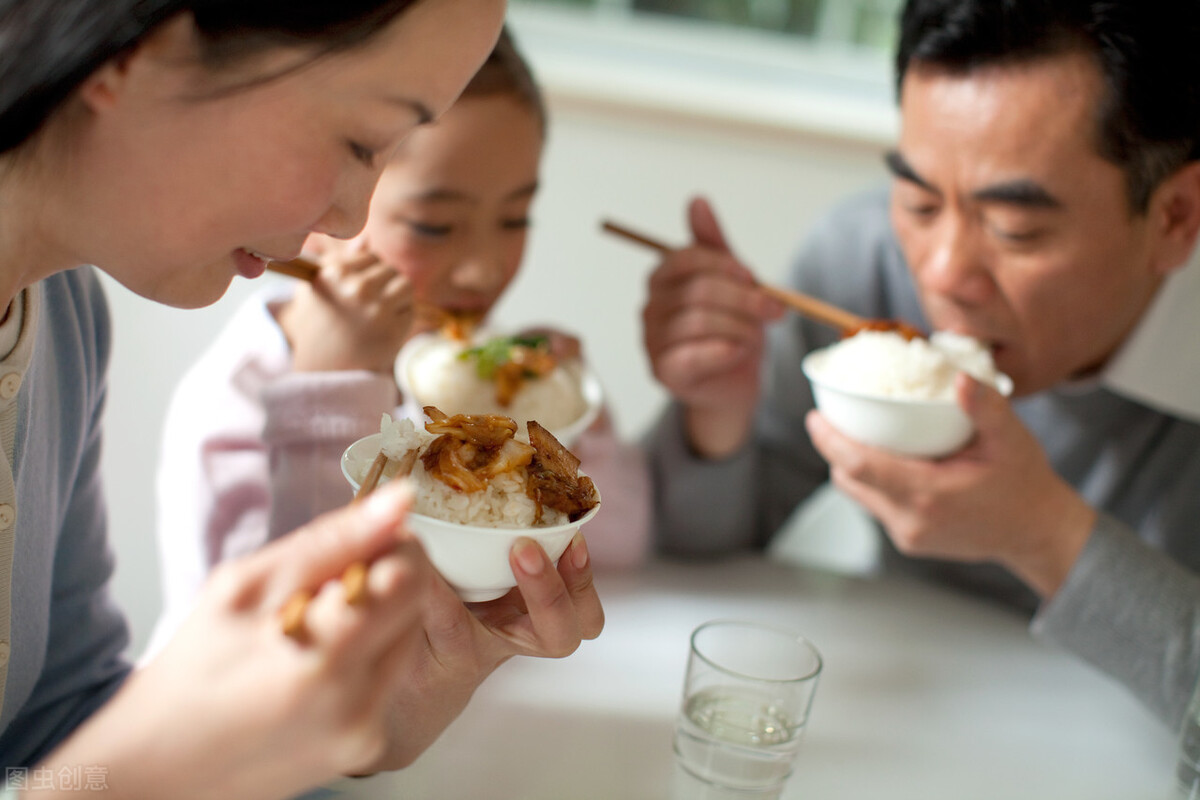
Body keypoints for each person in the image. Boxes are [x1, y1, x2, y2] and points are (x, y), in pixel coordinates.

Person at [0, 1, 605, 797]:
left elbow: (53, 736)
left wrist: (372, 712)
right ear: (136, 54)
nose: (354, 220)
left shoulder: (63, 306)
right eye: (362, 141)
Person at [642, 0, 1200, 732]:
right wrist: (715, 415)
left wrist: (1046, 535)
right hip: (901, 718)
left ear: (1175, 218)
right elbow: (691, 554)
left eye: (1015, 229)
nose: (941, 274)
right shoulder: (863, 259)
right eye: (918, 200)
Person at [150, 27, 649, 649]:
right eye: (434, 226)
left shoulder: (479, 377)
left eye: (514, 218)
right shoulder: (241, 390)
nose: (482, 268)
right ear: (318, 205)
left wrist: (568, 415)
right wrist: (333, 387)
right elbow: (280, 632)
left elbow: (626, 539)